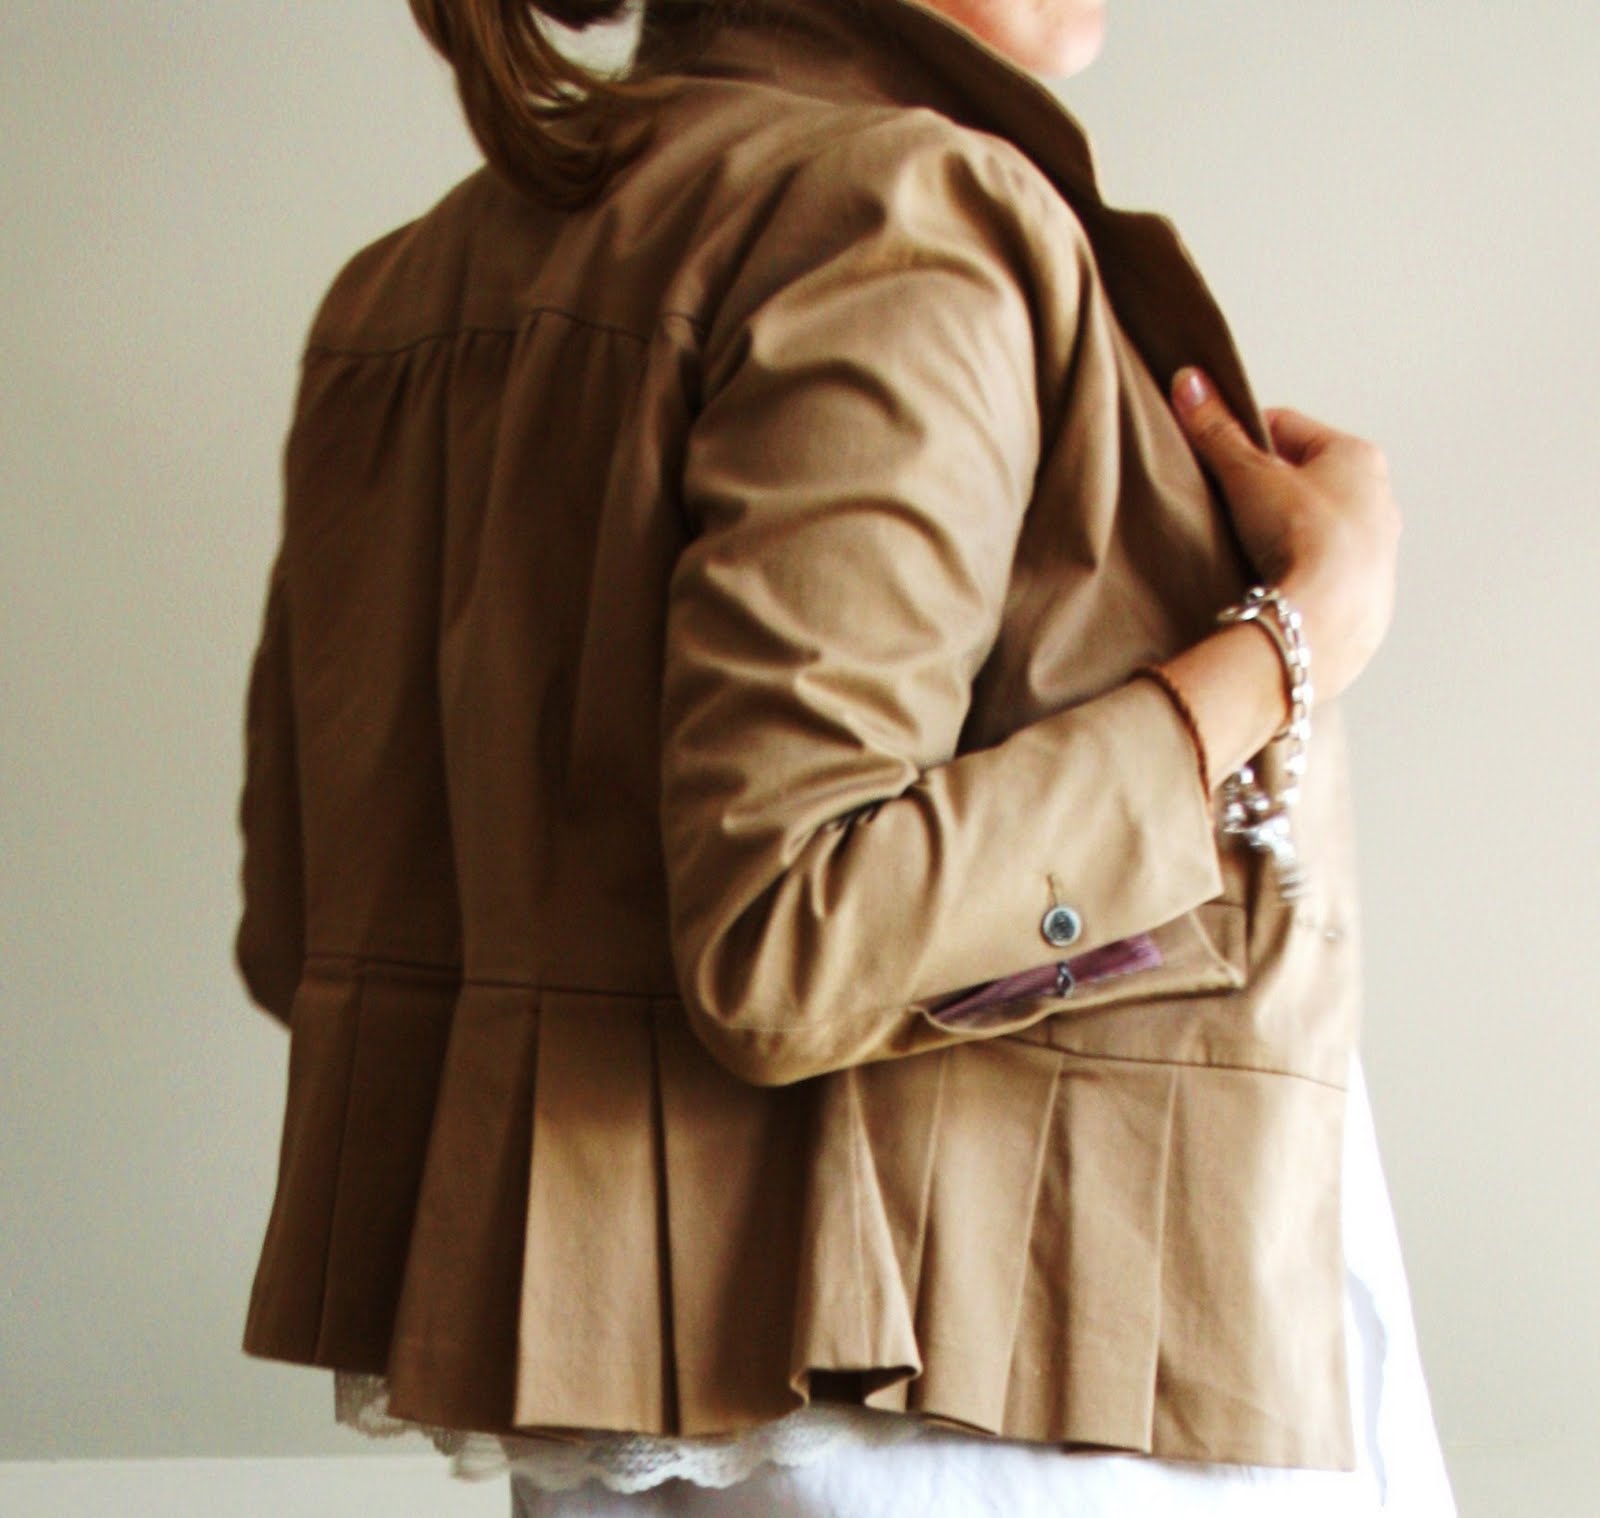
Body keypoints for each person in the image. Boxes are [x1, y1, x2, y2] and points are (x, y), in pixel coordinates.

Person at [230, 0, 1458, 1511]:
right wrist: (1293, 642)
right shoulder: (895, 216)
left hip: (659, 1407)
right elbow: (790, 935)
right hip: (988, 1396)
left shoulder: (409, 293)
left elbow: (301, 931)